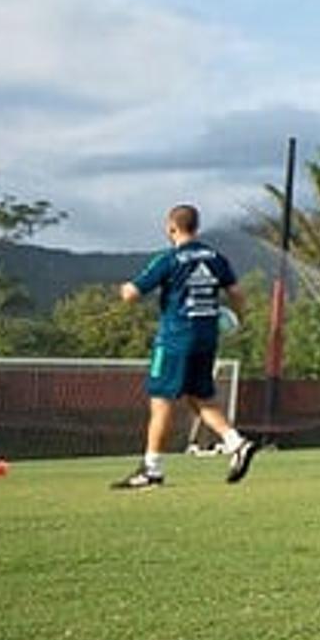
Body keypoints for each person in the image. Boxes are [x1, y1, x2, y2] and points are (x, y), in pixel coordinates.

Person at [111, 204, 258, 489]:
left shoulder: (169, 259)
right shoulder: (215, 257)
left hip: (175, 340)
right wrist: (239, 319)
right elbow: (237, 293)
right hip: (206, 339)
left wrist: (123, 290)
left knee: (161, 400)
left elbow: (132, 294)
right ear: (196, 227)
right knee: (199, 397)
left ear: (171, 227)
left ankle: (151, 469)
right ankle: (236, 442)